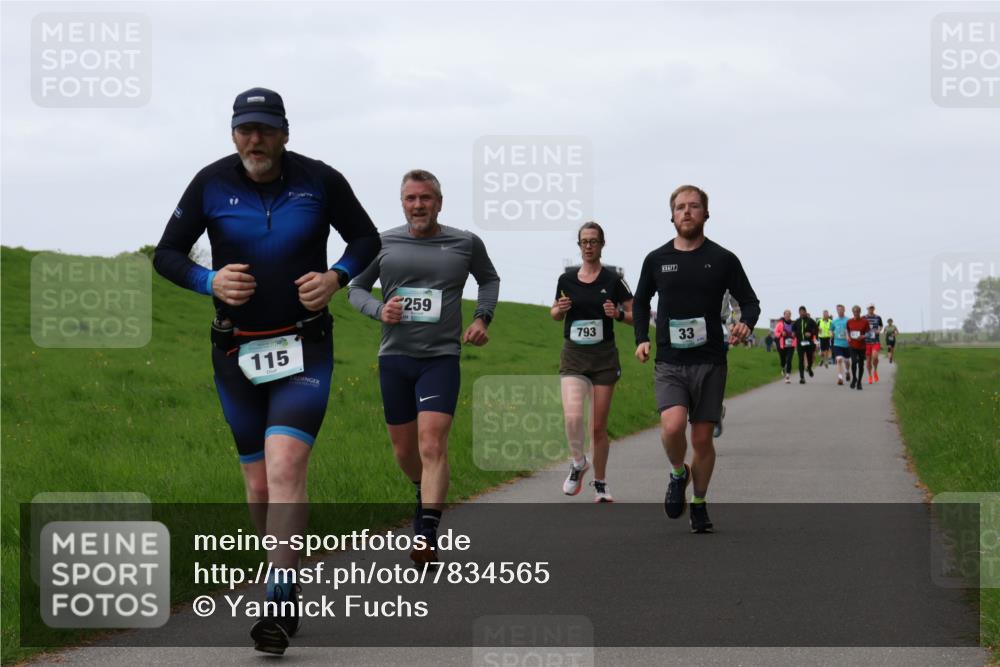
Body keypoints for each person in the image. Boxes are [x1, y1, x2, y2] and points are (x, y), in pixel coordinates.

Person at [154, 87, 381, 655]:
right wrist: (209, 281)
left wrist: (337, 277)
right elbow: (167, 254)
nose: (255, 140)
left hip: (304, 348)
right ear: (233, 134)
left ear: (284, 132)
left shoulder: (321, 180)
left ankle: (276, 599)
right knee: (258, 484)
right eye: (244, 129)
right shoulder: (210, 183)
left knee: (285, 465)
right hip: (235, 353)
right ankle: (285, 568)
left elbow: (367, 239)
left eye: (265, 129)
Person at [348, 169, 500, 563]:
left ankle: (427, 532)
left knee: (432, 442)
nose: (419, 205)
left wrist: (482, 318)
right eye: (411, 199)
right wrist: (381, 310)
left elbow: (489, 279)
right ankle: (422, 487)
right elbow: (355, 289)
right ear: (402, 203)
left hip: (441, 357)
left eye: (426, 198)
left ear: (439, 202)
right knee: (404, 451)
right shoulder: (382, 243)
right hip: (394, 358)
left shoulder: (465, 243)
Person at [633, 185, 760, 534]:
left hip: (710, 362)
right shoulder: (656, 259)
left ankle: (700, 503)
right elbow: (641, 301)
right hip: (670, 361)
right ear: (671, 216)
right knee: (673, 427)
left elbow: (750, 301)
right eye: (679, 207)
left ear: (706, 214)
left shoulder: (723, 259)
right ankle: (678, 473)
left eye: (693, 206)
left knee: (703, 440)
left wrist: (745, 324)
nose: (686, 212)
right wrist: (642, 338)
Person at [551, 222, 633, 502]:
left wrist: (618, 314)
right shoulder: (566, 280)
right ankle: (578, 463)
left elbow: (636, 315)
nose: (588, 246)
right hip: (574, 355)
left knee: (597, 426)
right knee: (573, 417)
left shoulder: (613, 280)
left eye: (593, 241)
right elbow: (554, 313)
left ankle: (600, 482)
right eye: (584, 242)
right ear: (579, 246)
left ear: (602, 244)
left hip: (603, 358)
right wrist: (559, 310)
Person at [846, 305, 871, 391]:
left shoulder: (865, 322)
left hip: (862, 346)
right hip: (852, 345)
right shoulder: (849, 321)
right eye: (854, 312)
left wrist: (863, 336)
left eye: (857, 312)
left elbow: (869, 333)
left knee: (861, 364)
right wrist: (848, 337)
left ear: (860, 312)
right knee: (853, 362)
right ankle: (854, 379)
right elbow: (847, 331)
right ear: (852, 312)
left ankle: (859, 382)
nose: (856, 313)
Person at [792, 306, 818, 384]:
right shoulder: (797, 321)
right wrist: (793, 333)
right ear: (799, 313)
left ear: (806, 312)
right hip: (800, 343)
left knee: (810, 359)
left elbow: (817, 330)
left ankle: (809, 368)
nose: (802, 313)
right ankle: (802, 378)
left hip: (809, 343)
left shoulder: (811, 321)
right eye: (800, 312)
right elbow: (793, 329)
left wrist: (811, 333)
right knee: (801, 360)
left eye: (803, 311)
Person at [831, 304, 851, 385]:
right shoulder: (834, 321)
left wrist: (849, 336)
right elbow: (831, 329)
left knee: (847, 361)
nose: (839, 311)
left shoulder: (848, 320)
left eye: (841, 309)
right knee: (839, 360)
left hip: (846, 344)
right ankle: (840, 378)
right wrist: (831, 333)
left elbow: (851, 330)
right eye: (838, 310)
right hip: (837, 344)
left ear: (844, 310)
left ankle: (847, 371)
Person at [864, 303, 884, 384]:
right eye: (869, 308)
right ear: (867, 309)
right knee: (868, 361)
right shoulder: (864, 318)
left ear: (874, 309)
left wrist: (879, 330)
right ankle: (870, 376)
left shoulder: (878, 317)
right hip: (867, 342)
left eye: (872, 308)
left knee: (875, 356)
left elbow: (881, 326)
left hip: (875, 340)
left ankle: (875, 371)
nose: (871, 309)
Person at [774, 310, 795, 384]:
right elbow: (775, 333)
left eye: (789, 314)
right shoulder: (780, 324)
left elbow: (796, 332)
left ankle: (787, 376)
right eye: (787, 314)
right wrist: (781, 334)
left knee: (789, 360)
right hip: (782, 344)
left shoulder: (793, 324)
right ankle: (783, 367)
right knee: (783, 359)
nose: (788, 316)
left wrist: (794, 334)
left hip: (791, 345)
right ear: (784, 315)